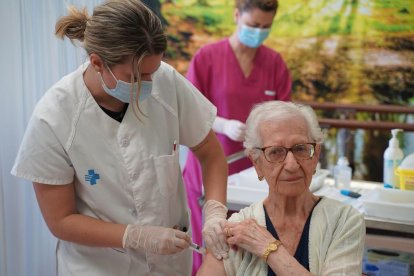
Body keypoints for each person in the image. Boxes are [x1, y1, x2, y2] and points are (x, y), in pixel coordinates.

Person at [11, 0, 229, 275]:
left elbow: (211, 154)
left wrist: (215, 213)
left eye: (154, 70)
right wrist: (135, 236)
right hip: (100, 266)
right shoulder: (55, 117)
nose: (149, 82)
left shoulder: (166, 81)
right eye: (137, 75)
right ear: (98, 63)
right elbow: (61, 220)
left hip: (168, 266)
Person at [183, 0, 292, 272]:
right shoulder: (207, 58)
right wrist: (220, 125)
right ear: (236, 16)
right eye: (253, 25)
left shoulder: (274, 63)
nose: (259, 32)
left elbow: (285, 116)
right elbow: (187, 110)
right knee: (212, 248)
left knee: (251, 249)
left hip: (255, 174)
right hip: (209, 167)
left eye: (266, 27)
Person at [197, 101, 366, 275]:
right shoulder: (238, 230)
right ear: (257, 163)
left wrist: (269, 248)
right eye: (276, 152)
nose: (292, 165)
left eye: (301, 149)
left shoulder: (343, 221)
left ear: (315, 156)